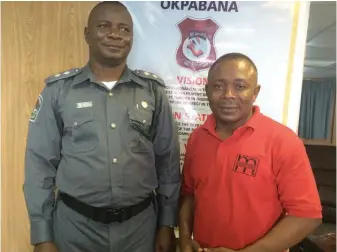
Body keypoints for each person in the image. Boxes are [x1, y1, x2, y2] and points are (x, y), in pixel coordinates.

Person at [23, 2, 180, 252]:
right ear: (87, 34)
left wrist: (166, 224)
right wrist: (42, 235)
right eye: (104, 26)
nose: (115, 34)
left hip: (140, 230)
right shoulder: (59, 91)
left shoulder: (153, 91)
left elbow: (168, 163)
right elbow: (39, 165)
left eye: (124, 29)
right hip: (75, 229)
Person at [179, 52, 322, 252]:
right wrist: (185, 239)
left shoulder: (283, 141)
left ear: (255, 92)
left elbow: (307, 215)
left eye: (240, 86)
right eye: (219, 86)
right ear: (207, 90)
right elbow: (189, 194)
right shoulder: (197, 138)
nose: (228, 94)